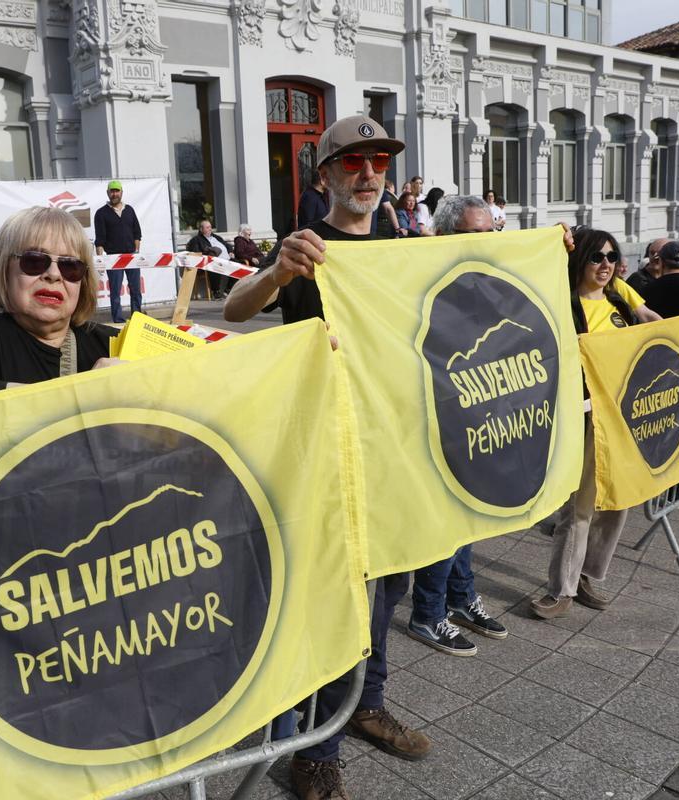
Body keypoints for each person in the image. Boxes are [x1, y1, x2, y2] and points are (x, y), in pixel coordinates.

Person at [224, 114, 429, 800]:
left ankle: (365, 705)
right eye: (352, 164)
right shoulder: (308, 248)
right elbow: (234, 309)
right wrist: (277, 274)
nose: (368, 174)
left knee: (389, 588)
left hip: (394, 449)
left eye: (378, 163)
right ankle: (315, 747)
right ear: (326, 178)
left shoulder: (402, 245)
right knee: (341, 603)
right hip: (326, 453)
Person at [406, 195, 515, 658]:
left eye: (491, 233)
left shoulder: (489, 283)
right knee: (444, 519)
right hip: (433, 418)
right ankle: (428, 614)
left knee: (467, 515)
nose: (485, 244)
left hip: (474, 414)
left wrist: (560, 255)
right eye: (474, 234)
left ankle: (459, 597)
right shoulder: (419, 277)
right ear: (445, 236)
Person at [531, 228, 660, 619]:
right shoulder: (565, 303)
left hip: (623, 417)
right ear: (581, 260)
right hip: (585, 416)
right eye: (596, 257)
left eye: (611, 257)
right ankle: (562, 590)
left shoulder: (621, 293)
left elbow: (654, 322)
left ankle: (587, 575)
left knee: (618, 502)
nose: (606, 264)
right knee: (581, 506)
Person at [0, 206, 118, 404]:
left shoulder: (114, 343)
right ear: (4, 270)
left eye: (70, 266)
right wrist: (85, 393)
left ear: (83, 281)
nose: (53, 274)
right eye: (34, 261)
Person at [93, 179, 142, 324]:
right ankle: (118, 320)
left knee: (135, 290)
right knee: (115, 292)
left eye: (117, 191)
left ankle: (137, 318)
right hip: (113, 258)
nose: (114, 194)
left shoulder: (130, 210)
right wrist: (100, 260)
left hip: (131, 256)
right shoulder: (101, 213)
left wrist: (136, 251)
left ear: (121, 192)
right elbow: (100, 239)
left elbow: (137, 232)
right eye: (112, 191)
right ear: (108, 193)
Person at [185, 219, 235, 300]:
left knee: (238, 264)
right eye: (207, 227)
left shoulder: (216, 237)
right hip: (210, 262)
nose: (210, 229)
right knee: (215, 264)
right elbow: (196, 253)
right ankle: (215, 292)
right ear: (201, 229)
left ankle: (228, 290)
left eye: (210, 227)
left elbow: (227, 245)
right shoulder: (197, 240)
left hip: (227, 260)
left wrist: (230, 251)